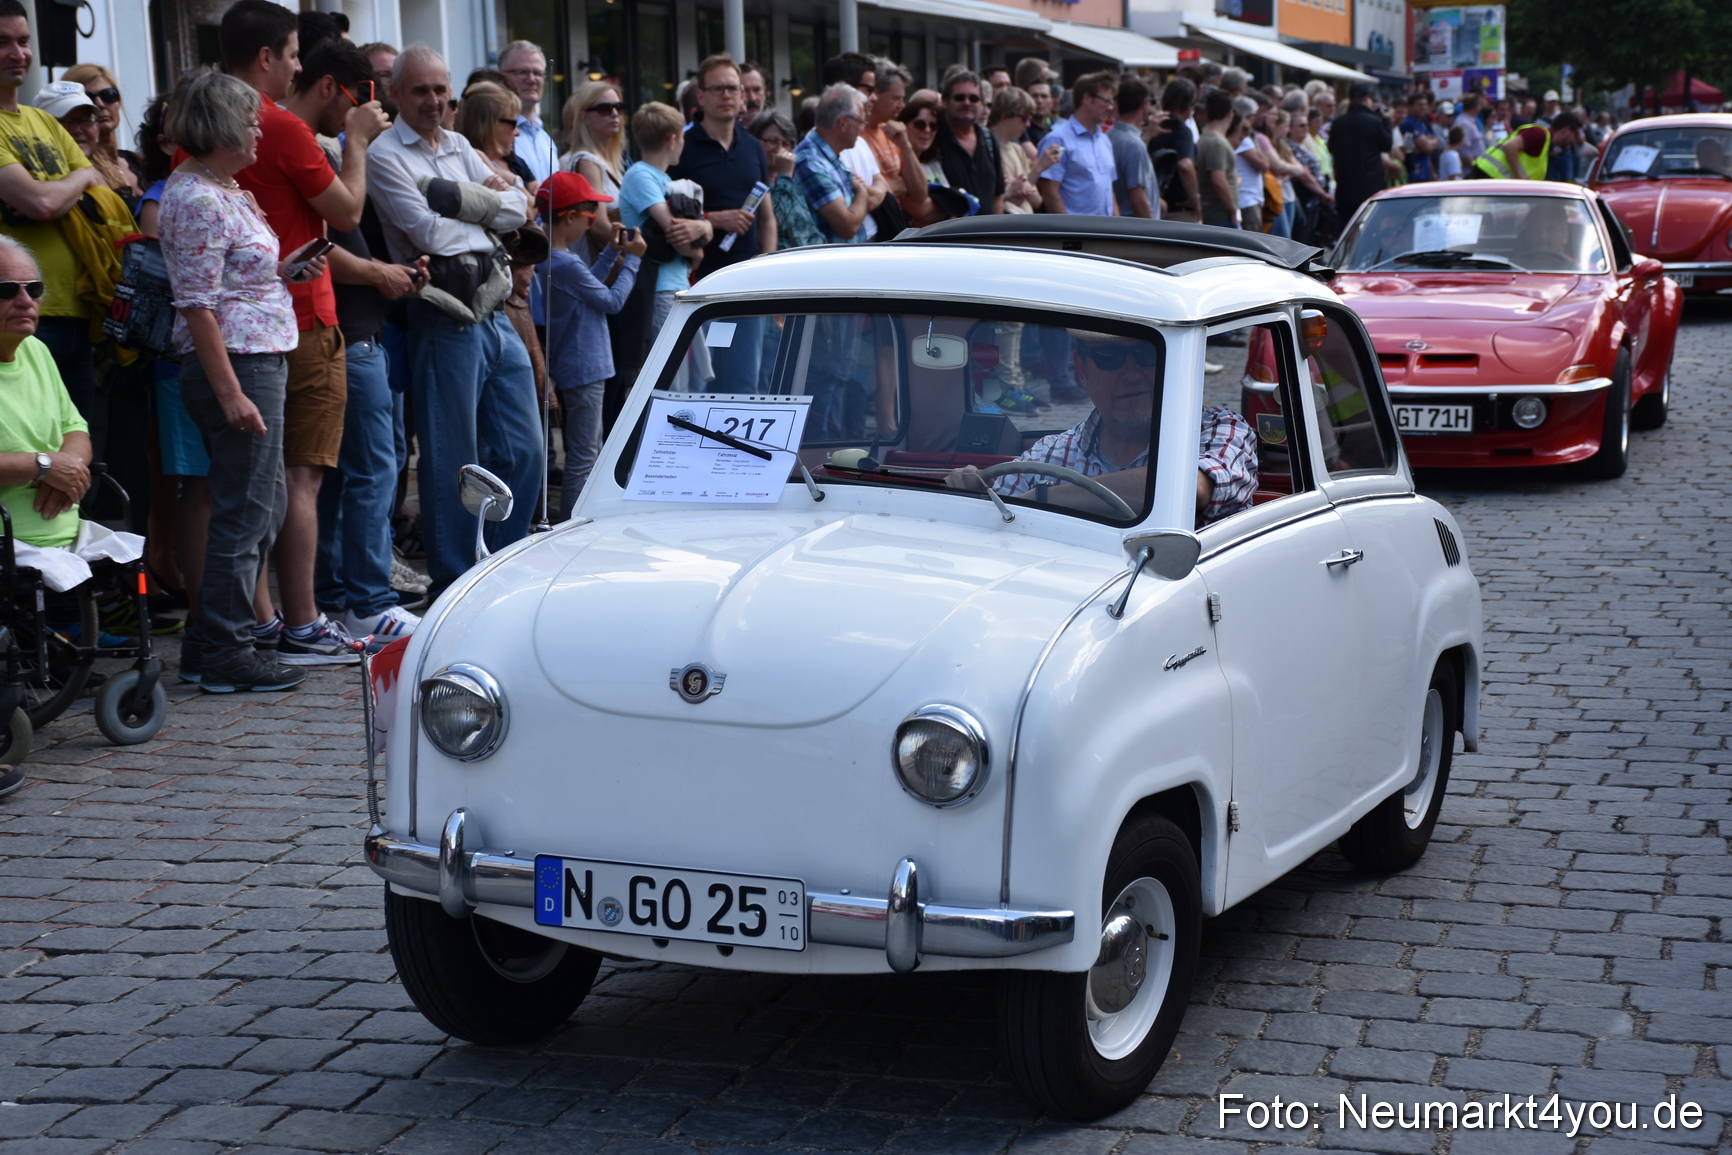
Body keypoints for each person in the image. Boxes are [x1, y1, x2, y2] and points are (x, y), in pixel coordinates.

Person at [223, 4, 392, 665]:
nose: (299, 66)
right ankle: (301, 622)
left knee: (250, 483)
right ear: (267, 56)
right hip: (301, 317)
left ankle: (265, 619)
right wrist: (358, 141)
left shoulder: (210, 123)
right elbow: (346, 212)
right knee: (299, 480)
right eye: (294, 54)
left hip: (241, 324)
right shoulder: (280, 125)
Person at [158, 68, 326, 693]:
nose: (259, 130)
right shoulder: (199, 198)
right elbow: (196, 304)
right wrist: (230, 392)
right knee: (247, 509)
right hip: (239, 363)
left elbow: (225, 283)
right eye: (251, 121)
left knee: (260, 505)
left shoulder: (220, 188)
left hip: (255, 355)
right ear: (222, 126)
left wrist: (281, 270)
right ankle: (227, 652)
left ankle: (209, 645)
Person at [366, 43, 542, 600]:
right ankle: (456, 584)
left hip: (493, 309)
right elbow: (427, 234)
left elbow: (521, 209)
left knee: (526, 448)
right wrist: (484, 213)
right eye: (420, 89)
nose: (433, 100)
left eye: (440, 89)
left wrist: (454, 201)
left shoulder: (461, 144)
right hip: (439, 314)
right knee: (451, 459)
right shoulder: (384, 155)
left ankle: (503, 567)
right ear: (395, 93)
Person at [944, 331, 1256, 525]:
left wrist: (1043, 497)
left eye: (1148, 355)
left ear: (1177, 365)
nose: (1131, 373)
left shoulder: (1221, 429)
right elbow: (1000, 514)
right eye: (1109, 358)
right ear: (1082, 370)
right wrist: (973, 495)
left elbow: (1190, 487)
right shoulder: (1050, 453)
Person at [0, 0, 110, 455]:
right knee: (27, 443)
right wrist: (73, 181)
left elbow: (98, 184)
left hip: (78, 309)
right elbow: (42, 204)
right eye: (3, 43)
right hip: (14, 314)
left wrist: (71, 183)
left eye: (23, 41)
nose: (18, 53)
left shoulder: (44, 121)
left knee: (81, 445)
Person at [540, 172, 644, 517]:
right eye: (589, 217)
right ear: (569, 216)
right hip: (585, 368)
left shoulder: (554, 259)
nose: (591, 225)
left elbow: (589, 291)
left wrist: (611, 253)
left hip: (577, 366)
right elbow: (611, 301)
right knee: (585, 456)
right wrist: (633, 259)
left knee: (585, 451)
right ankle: (572, 524)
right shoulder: (565, 262)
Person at [618, 101, 711, 342]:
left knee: (692, 366)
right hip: (660, 288)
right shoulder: (640, 175)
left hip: (676, 285)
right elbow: (675, 231)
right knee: (672, 365)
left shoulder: (663, 177)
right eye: (682, 138)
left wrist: (703, 229)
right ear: (672, 140)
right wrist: (697, 250)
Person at [794, 84, 872, 243]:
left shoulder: (828, 155)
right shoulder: (810, 162)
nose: (862, 129)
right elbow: (848, 226)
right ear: (843, 122)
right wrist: (862, 193)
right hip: (829, 258)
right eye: (860, 122)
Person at [60, 64, 143, 206]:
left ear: (119, 101)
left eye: (109, 95)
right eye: (88, 98)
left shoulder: (138, 161)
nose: (100, 104)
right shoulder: (79, 171)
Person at [1037, 71, 1118, 216]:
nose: (1110, 108)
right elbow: (1049, 191)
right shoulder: (1058, 139)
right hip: (1076, 229)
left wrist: (1118, 226)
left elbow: (1109, 190)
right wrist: (1067, 228)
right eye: (1107, 101)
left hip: (1105, 228)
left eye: (1111, 102)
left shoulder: (1104, 140)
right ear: (1087, 98)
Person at [560, 80, 628, 252]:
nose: (614, 114)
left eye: (619, 107)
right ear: (584, 117)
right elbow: (598, 225)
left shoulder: (611, 160)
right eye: (604, 109)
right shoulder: (587, 162)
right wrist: (635, 250)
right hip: (602, 261)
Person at [860, 60, 930, 226]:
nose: (902, 105)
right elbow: (867, 194)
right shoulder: (857, 136)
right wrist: (902, 184)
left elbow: (920, 193)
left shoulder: (891, 132)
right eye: (896, 98)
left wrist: (905, 145)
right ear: (875, 94)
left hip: (895, 225)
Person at [749, 109, 824, 248]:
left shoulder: (791, 181)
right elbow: (778, 221)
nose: (779, 149)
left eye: (785, 144)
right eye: (773, 141)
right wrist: (784, 176)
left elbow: (807, 226)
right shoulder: (752, 180)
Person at [936, 71, 1003, 214]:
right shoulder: (933, 138)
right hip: (950, 228)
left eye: (974, 98)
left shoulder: (989, 139)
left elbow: (997, 197)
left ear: (981, 104)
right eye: (959, 98)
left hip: (988, 227)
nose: (967, 103)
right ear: (945, 101)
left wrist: (999, 226)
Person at [1329, 82, 1395, 225]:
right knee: (1371, 226)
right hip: (1370, 187)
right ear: (1366, 99)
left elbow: (1331, 148)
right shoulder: (1374, 122)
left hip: (1345, 187)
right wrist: (1387, 120)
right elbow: (1387, 145)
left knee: (1347, 227)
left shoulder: (1338, 123)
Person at [457, 81, 536, 198]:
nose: (517, 133)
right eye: (513, 124)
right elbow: (529, 208)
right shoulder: (466, 164)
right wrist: (512, 180)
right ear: (490, 126)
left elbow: (536, 204)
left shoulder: (515, 162)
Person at [990, 87, 1058, 214]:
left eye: (1030, 119)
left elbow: (1037, 201)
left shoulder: (1018, 149)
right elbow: (1012, 202)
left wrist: (1021, 186)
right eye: (1024, 118)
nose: (1028, 124)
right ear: (1005, 116)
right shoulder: (989, 150)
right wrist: (1039, 168)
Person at [499, 40, 557, 184]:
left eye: (537, 73)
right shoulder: (496, 135)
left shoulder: (545, 139)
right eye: (522, 72)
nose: (531, 80)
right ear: (501, 76)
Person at [1471, 112, 1582, 180]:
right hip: (1486, 175)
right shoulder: (1539, 134)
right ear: (1566, 130)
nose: (1575, 141)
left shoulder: (1546, 145)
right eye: (1576, 135)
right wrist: (1523, 182)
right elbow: (1510, 147)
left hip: (1490, 179)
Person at [1148, 78, 1199, 222]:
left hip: (1153, 204)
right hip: (1178, 211)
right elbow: (1185, 165)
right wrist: (1196, 198)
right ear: (1189, 106)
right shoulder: (1182, 131)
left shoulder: (1152, 125)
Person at [1110, 77, 1157, 219]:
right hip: (1135, 227)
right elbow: (1138, 199)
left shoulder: (1109, 136)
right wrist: (1153, 230)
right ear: (1144, 104)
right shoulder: (1134, 144)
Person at [1197, 91, 1240, 228]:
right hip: (1221, 216)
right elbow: (1218, 181)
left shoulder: (1206, 138)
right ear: (1230, 113)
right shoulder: (1217, 143)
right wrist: (1233, 209)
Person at [1401, 91, 1439, 183]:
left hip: (1425, 173)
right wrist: (1428, 142)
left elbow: (1436, 140)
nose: (1423, 108)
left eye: (1425, 104)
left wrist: (1428, 142)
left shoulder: (1421, 123)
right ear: (1410, 107)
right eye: (1419, 105)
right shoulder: (1408, 124)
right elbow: (1427, 148)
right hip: (1414, 174)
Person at [1454, 93, 1487, 165]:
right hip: (1471, 170)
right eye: (1480, 104)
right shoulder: (1464, 123)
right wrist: (1475, 167)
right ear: (1476, 107)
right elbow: (1464, 152)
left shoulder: (1470, 120)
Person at [738, 62, 767, 128]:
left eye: (757, 90)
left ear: (764, 91)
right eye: (745, 91)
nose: (752, 98)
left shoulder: (778, 130)